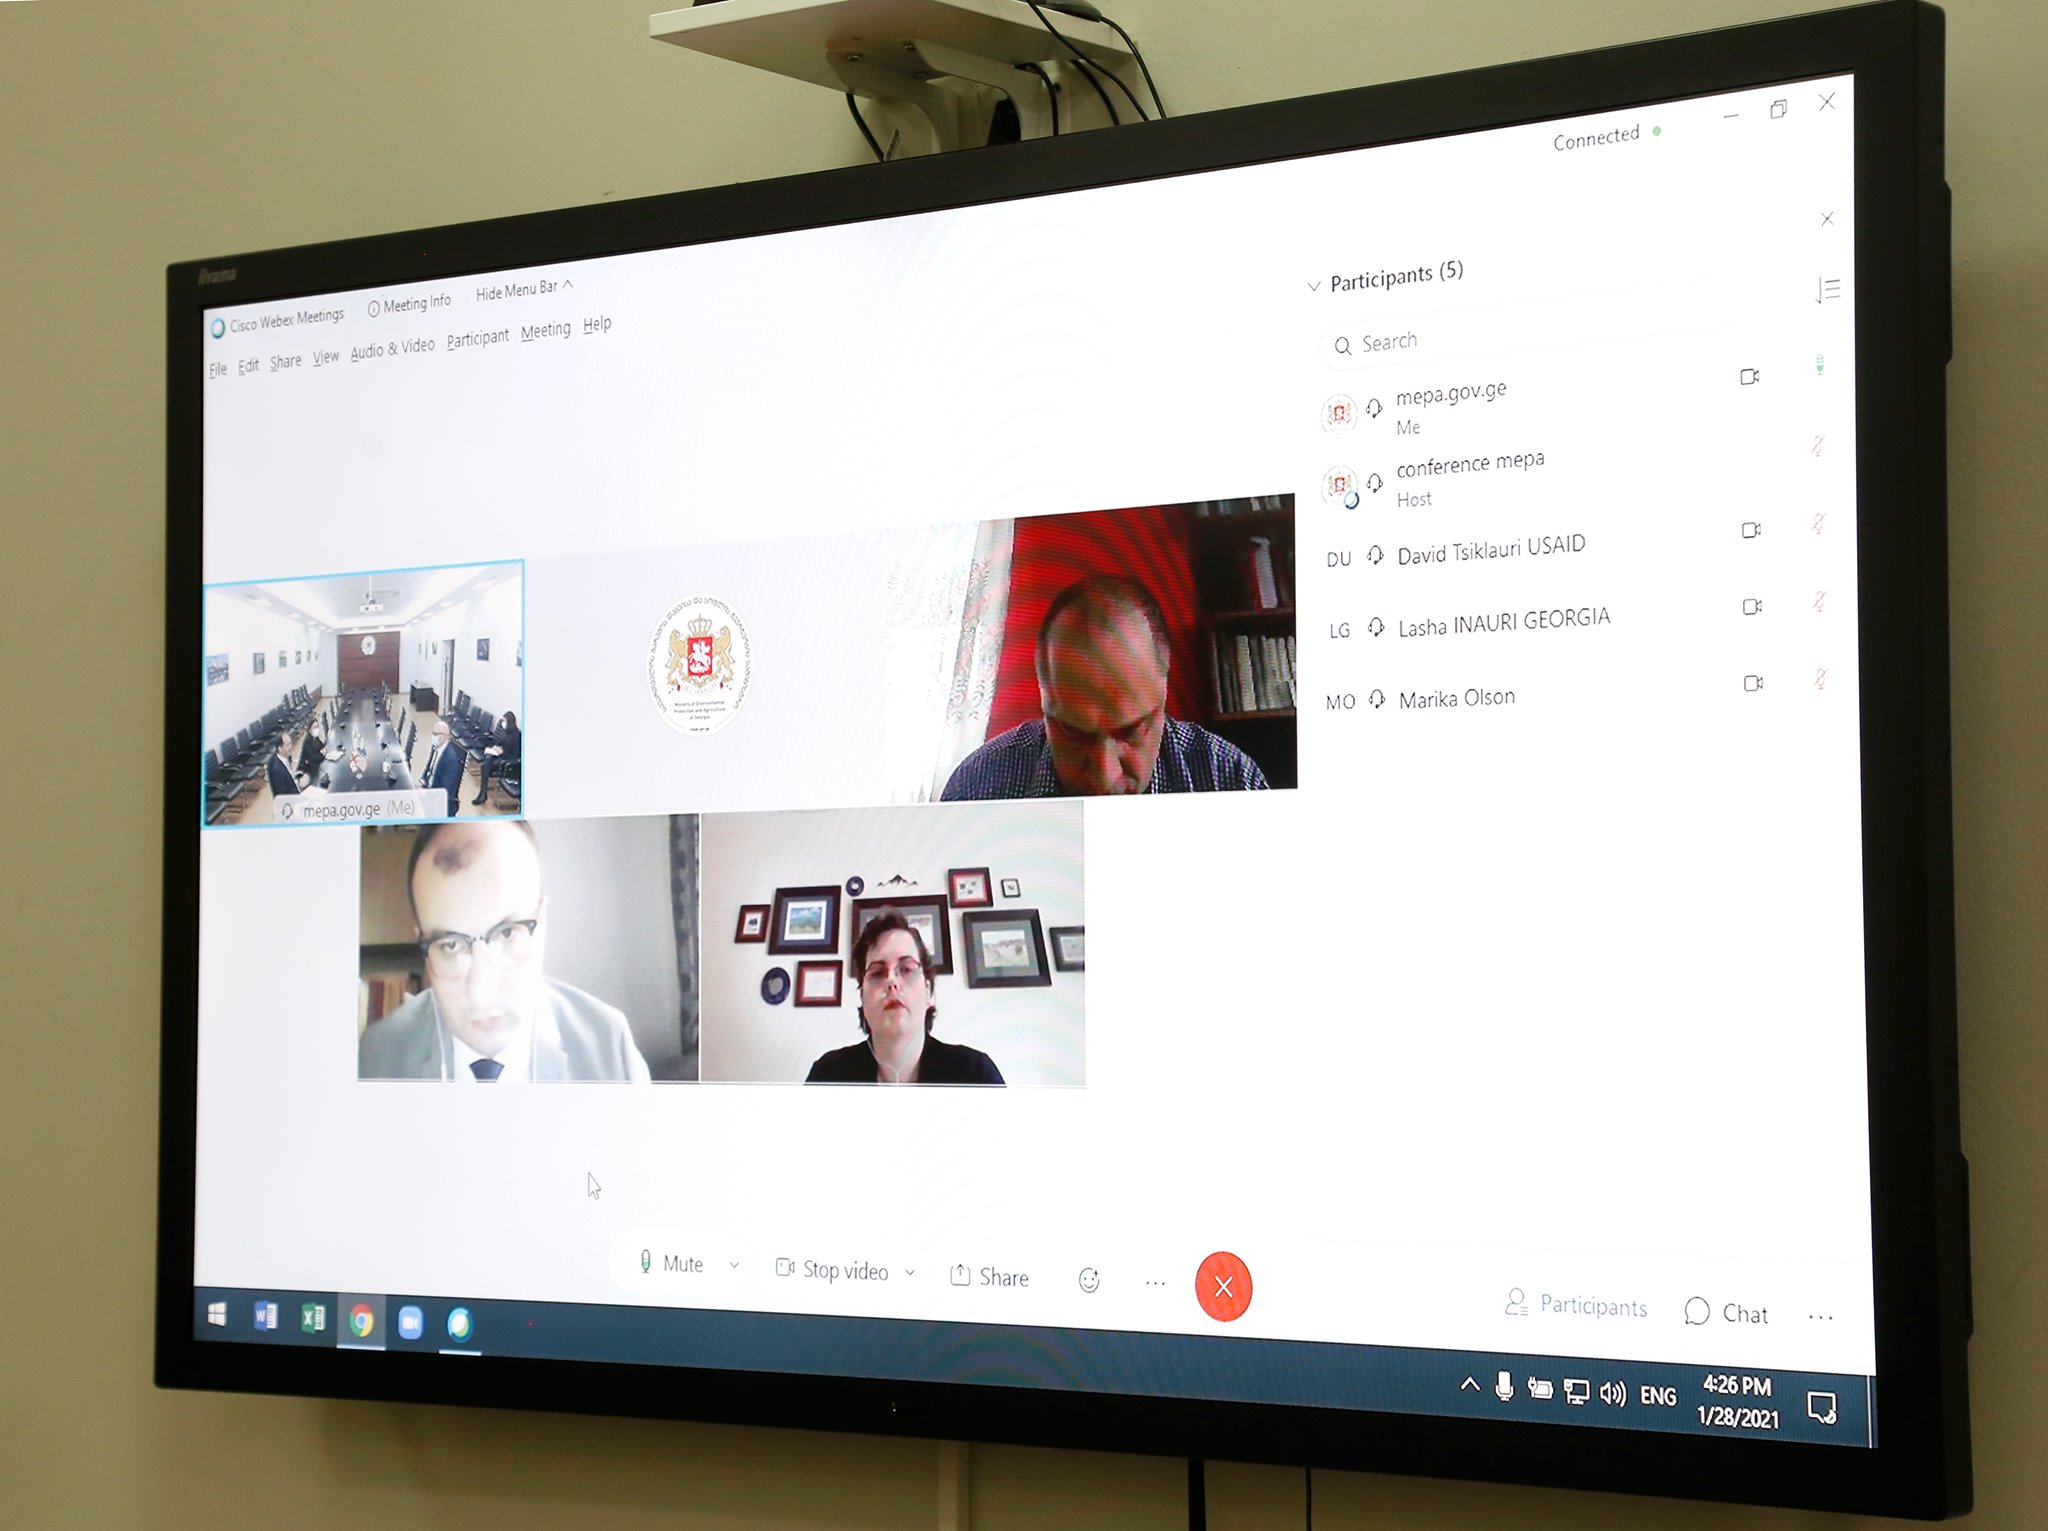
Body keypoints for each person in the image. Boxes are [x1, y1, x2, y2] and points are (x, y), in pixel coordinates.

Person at [358, 820, 652, 1082]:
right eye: (450, 945)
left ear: (541, 924)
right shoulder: (378, 1055)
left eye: (507, 934)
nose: (481, 996)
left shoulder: (610, 1049)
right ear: (422, 947)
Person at [940, 574, 1269, 799]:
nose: (1103, 778)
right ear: (1044, 700)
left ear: (1164, 691)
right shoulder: (977, 786)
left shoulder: (1230, 779)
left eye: (1131, 731)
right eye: (1071, 732)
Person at [805, 910, 1004, 1085]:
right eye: (877, 973)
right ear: (863, 998)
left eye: (907, 969)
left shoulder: (976, 1074)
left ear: (928, 992)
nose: (892, 982)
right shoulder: (827, 1075)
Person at [418, 719, 466, 817]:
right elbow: (428, 768)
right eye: (433, 733)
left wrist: (425, 793)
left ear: (445, 736)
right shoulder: (436, 748)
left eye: (436, 734)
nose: (433, 737)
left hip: (439, 801)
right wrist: (422, 781)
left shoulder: (450, 760)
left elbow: (444, 790)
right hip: (429, 789)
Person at [471, 710, 521, 805]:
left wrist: (501, 751)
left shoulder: (517, 735)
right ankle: (482, 793)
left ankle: (483, 794)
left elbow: (514, 753)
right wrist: (494, 749)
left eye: (504, 721)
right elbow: (499, 743)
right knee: (486, 762)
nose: (502, 723)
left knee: (486, 765)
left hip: (509, 760)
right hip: (501, 755)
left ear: (510, 722)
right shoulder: (505, 732)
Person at [267, 731, 306, 800]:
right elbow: (284, 796)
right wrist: (299, 784)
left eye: (290, 743)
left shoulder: (285, 757)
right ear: (280, 749)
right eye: (288, 745)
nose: (291, 747)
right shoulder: (277, 771)